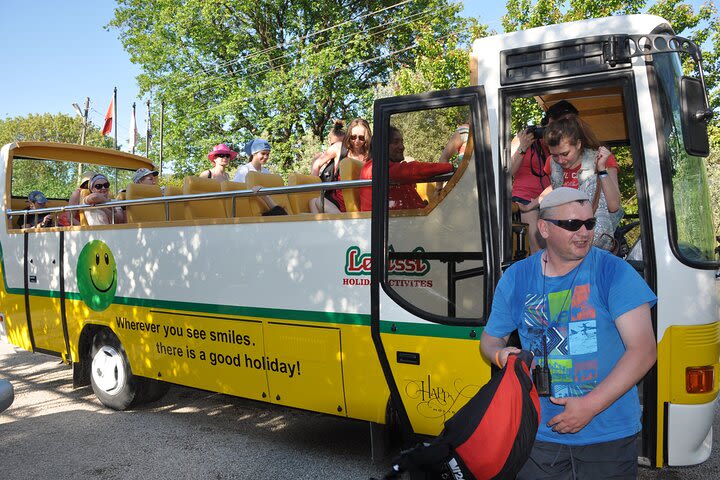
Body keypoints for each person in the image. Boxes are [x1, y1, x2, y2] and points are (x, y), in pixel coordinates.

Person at [480, 187, 657, 480]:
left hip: (608, 437)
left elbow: (643, 350)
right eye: (572, 225)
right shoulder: (516, 278)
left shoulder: (613, 271)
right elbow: (490, 340)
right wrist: (500, 355)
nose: (584, 232)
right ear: (544, 228)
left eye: (589, 223)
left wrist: (589, 406)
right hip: (538, 435)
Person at [540, 115, 623, 251]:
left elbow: (614, 205)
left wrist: (601, 169)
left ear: (578, 144)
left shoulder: (601, 159)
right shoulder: (551, 163)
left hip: (596, 242)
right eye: (555, 155)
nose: (560, 160)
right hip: (566, 243)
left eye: (565, 154)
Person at [510, 100, 579, 253]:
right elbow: (509, 171)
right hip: (525, 198)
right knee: (538, 240)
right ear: (551, 121)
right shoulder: (523, 138)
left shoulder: (559, 141)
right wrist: (523, 147)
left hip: (550, 196)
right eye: (564, 122)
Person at [359, 126, 454, 211]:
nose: (402, 147)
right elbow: (413, 170)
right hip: (389, 226)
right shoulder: (375, 167)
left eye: (402, 142)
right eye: (396, 142)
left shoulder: (392, 171)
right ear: (382, 146)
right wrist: (451, 167)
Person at [310, 118, 371, 214]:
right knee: (314, 201)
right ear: (349, 135)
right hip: (337, 201)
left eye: (361, 138)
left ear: (367, 138)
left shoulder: (371, 156)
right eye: (353, 137)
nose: (357, 141)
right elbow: (316, 164)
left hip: (360, 203)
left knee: (315, 203)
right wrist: (315, 190)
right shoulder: (339, 148)